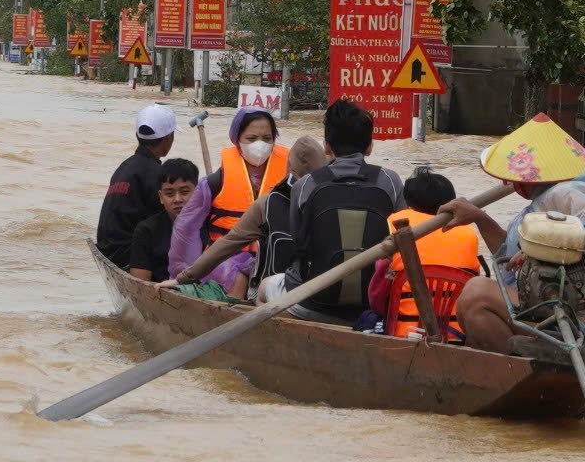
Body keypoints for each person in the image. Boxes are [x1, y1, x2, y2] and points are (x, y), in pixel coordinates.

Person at [453, 114, 585, 351]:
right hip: (556, 314)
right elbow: (507, 258)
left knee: (475, 294)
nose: (513, 185)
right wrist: (479, 217)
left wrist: (549, 252)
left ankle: (512, 373)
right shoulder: (539, 207)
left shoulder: (573, 192)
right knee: (474, 306)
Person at [276, 98, 403, 321]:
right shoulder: (390, 181)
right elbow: (402, 239)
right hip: (373, 304)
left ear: (326, 146)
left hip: (312, 304)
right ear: (369, 146)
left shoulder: (304, 185)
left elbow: (298, 242)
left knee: (268, 285)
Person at [173, 135, 326, 297]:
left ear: (288, 168)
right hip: (324, 291)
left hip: (276, 293)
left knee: (250, 281)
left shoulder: (267, 204)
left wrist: (183, 278)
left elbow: (228, 243)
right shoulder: (334, 199)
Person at [372, 168, 498, 339]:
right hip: (459, 335)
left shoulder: (394, 225)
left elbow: (376, 299)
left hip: (404, 332)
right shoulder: (468, 233)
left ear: (408, 201)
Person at [170, 108, 288, 278]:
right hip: (225, 261)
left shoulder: (290, 178)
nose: (260, 144)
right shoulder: (214, 182)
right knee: (238, 280)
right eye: (252, 138)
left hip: (274, 258)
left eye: (267, 138)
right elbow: (186, 228)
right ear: (237, 140)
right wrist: (183, 272)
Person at [95, 102, 179, 266]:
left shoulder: (125, 166)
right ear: (169, 138)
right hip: (128, 255)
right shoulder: (156, 174)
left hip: (110, 250)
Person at [124, 157, 199, 281]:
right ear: (160, 197)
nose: (177, 199)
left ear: (197, 193)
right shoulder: (146, 231)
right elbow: (140, 285)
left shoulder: (210, 224)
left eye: (184, 192)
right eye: (169, 194)